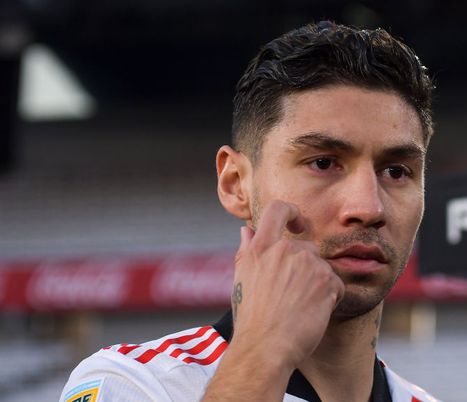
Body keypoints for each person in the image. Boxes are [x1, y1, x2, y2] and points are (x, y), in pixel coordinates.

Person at [61, 21, 439, 402]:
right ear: (235, 183)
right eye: (323, 163)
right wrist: (263, 356)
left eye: (396, 171)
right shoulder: (130, 383)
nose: (368, 207)